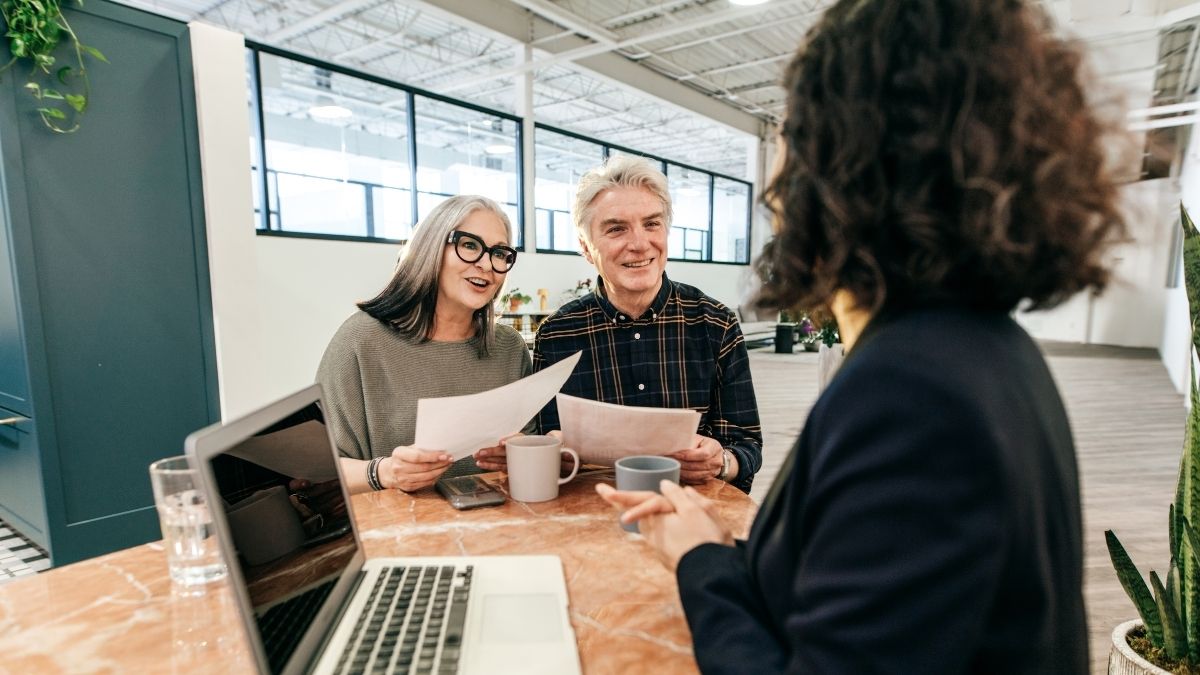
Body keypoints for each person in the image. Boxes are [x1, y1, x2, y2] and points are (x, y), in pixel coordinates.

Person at [599, 0, 1126, 671]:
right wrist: (713, 549)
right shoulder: (987, 350)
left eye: (794, 136)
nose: (776, 189)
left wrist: (701, 562)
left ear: (843, 161)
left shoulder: (913, 393)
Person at [479, 155, 763, 492]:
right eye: (617, 229)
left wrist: (722, 461)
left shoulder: (716, 324)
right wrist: (553, 452)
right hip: (594, 518)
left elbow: (746, 445)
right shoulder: (558, 334)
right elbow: (549, 447)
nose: (640, 243)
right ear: (586, 247)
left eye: (652, 224)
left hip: (692, 517)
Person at [316, 195, 531, 494]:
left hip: (500, 528)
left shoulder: (509, 348)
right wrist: (386, 472)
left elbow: (530, 444)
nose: (486, 265)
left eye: (499, 253)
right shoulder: (361, 340)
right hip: (399, 534)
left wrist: (520, 456)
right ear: (431, 248)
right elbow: (317, 475)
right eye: (469, 245)